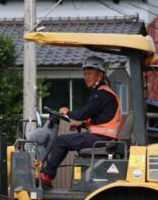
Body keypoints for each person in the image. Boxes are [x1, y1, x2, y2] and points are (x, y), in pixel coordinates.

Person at [40, 56, 122, 188]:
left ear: (99, 74)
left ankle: (47, 176)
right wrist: (83, 124)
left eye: (89, 73)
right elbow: (100, 118)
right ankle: (48, 175)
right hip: (104, 138)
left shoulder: (101, 94)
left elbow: (82, 114)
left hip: (101, 139)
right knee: (65, 141)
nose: (86, 77)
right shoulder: (103, 94)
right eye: (84, 74)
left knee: (61, 141)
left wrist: (67, 112)